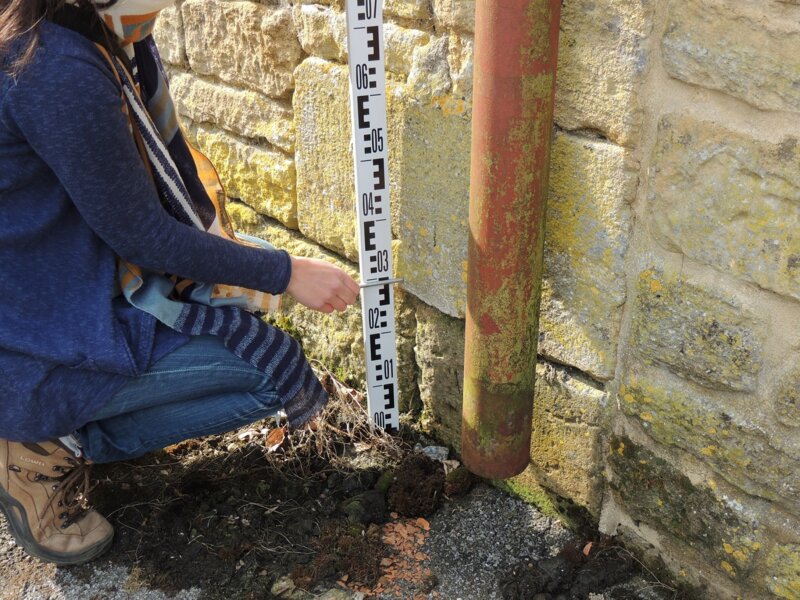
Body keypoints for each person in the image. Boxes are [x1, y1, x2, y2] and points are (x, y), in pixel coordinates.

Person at [0, 0, 360, 566]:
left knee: (239, 298)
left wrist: (257, 271)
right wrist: (287, 273)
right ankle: (39, 445)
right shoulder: (55, 67)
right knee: (271, 369)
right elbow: (145, 237)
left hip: (54, 281)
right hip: (37, 333)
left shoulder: (98, 32)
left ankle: (76, 416)